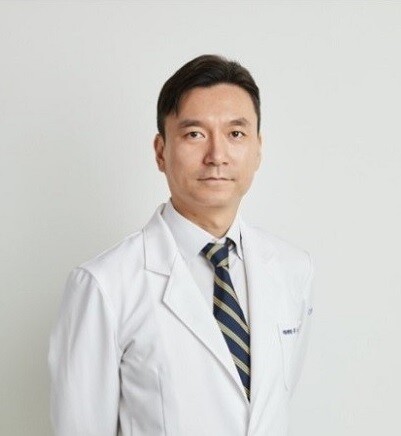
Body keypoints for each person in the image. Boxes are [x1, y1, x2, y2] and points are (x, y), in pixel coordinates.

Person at [48, 54, 315, 436]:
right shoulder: (103, 285)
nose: (217, 156)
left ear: (258, 148)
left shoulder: (293, 269)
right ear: (161, 151)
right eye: (195, 134)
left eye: (235, 134)